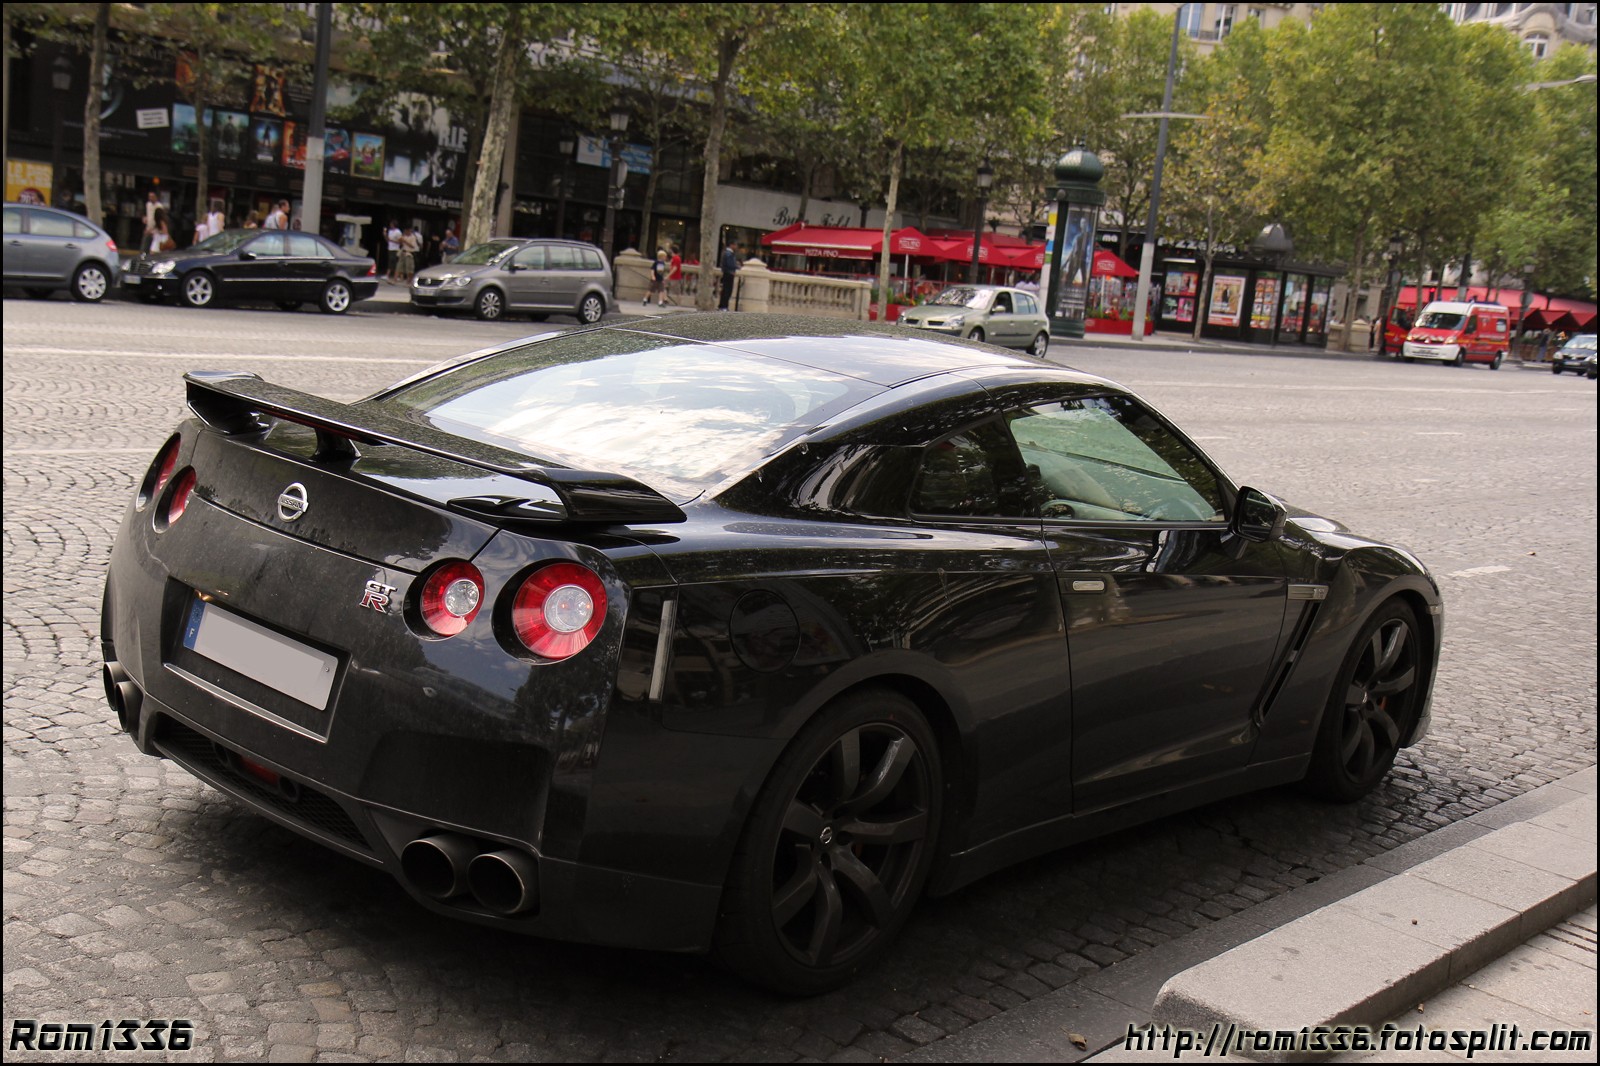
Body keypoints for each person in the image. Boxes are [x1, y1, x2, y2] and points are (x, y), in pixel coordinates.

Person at [719, 241, 741, 311]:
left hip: (727, 273)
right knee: (727, 291)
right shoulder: (729, 254)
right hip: (728, 274)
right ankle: (724, 306)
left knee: (725, 290)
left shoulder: (728, 253)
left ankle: (723, 306)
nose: (736, 247)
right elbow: (730, 264)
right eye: (735, 245)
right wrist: (737, 267)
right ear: (731, 245)